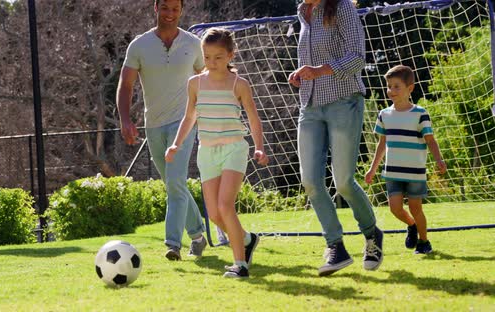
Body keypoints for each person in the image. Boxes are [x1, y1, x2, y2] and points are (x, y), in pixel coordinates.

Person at [287, 0, 383, 276]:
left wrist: (318, 70)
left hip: (344, 101)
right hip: (310, 105)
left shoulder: (342, 7)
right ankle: (335, 246)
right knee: (310, 182)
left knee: (342, 182)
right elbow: (312, 61)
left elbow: (357, 57)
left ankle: (371, 234)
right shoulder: (303, 13)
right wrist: (303, 74)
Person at [165, 28, 268, 278]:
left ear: (231, 55)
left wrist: (259, 146)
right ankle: (245, 239)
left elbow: (253, 118)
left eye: (218, 57)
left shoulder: (239, 84)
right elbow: (190, 116)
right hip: (206, 151)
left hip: (234, 148)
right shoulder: (195, 83)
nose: (212, 62)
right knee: (213, 214)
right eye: (207, 57)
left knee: (225, 205)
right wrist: (176, 144)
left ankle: (240, 265)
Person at [117, 0, 207, 261]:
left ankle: (173, 244)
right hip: (153, 124)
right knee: (174, 183)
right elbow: (125, 84)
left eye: (175, 9)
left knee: (175, 182)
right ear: (156, 8)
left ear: (181, 11)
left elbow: (206, 78)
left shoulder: (193, 44)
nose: (170, 13)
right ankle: (198, 236)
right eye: (165, 7)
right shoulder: (139, 45)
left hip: (185, 122)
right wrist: (125, 119)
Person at [365, 65, 447, 254]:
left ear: (410, 89)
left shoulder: (420, 114)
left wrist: (439, 160)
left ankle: (424, 242)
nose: (391, 91)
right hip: (393, 172)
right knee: (395, 208)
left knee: (415, 208)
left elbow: (430, 140)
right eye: (389, 86)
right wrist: (372, 169)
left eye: (396, 86)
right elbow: (382, 144)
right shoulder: (384, 114)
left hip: (415, 172)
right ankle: (411, 226)